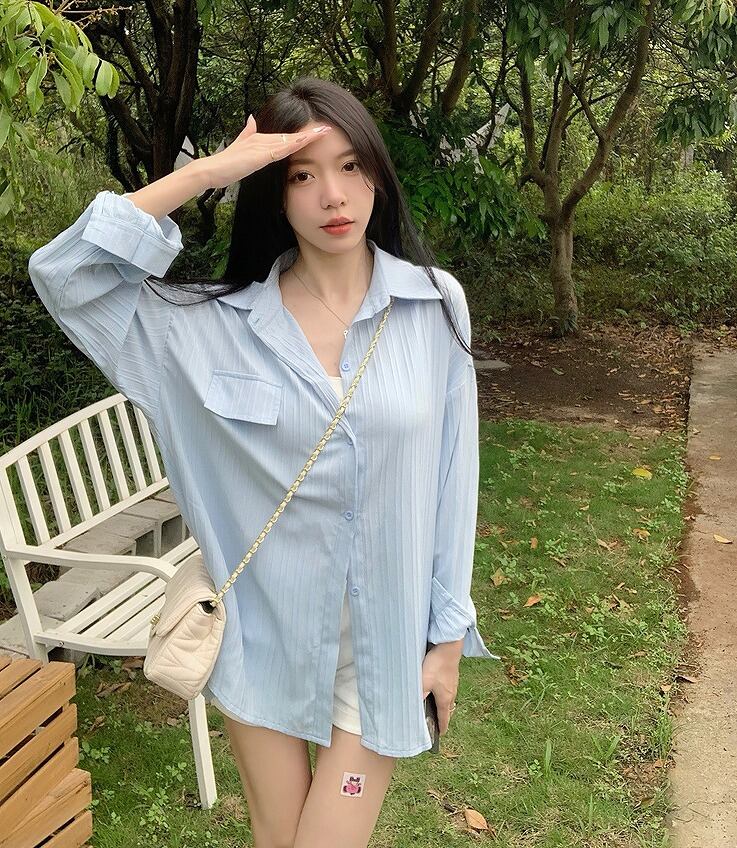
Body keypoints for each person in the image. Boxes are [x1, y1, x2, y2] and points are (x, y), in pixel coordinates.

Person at [27, 75, 496, 848]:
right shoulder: (201, 330)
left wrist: (446, 645)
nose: (332, 195)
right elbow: (65, 274)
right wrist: (209, 172)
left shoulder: (434, 303)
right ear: (274, 196)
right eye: (302, 175)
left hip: (384, 646)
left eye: (350, 166)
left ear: (377, 174)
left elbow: (453, 482)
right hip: (259, 642)